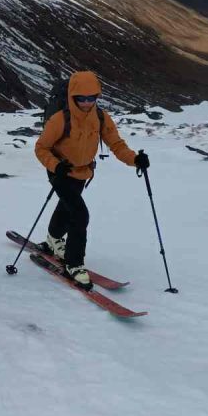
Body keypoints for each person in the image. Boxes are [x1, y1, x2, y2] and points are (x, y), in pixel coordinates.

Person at [33, 71, 149, 289]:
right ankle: (74, 264)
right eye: (81, 98)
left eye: (91, 98)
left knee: (67, 207)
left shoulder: (101, 117)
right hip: (60, 171)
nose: (86, 103)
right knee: (79, 214)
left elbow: (116, 144)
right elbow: (41, 148)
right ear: (72, 97)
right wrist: (55, 165)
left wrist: (135, 159)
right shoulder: (60, 119)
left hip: (82, 172)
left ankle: (53, 239)